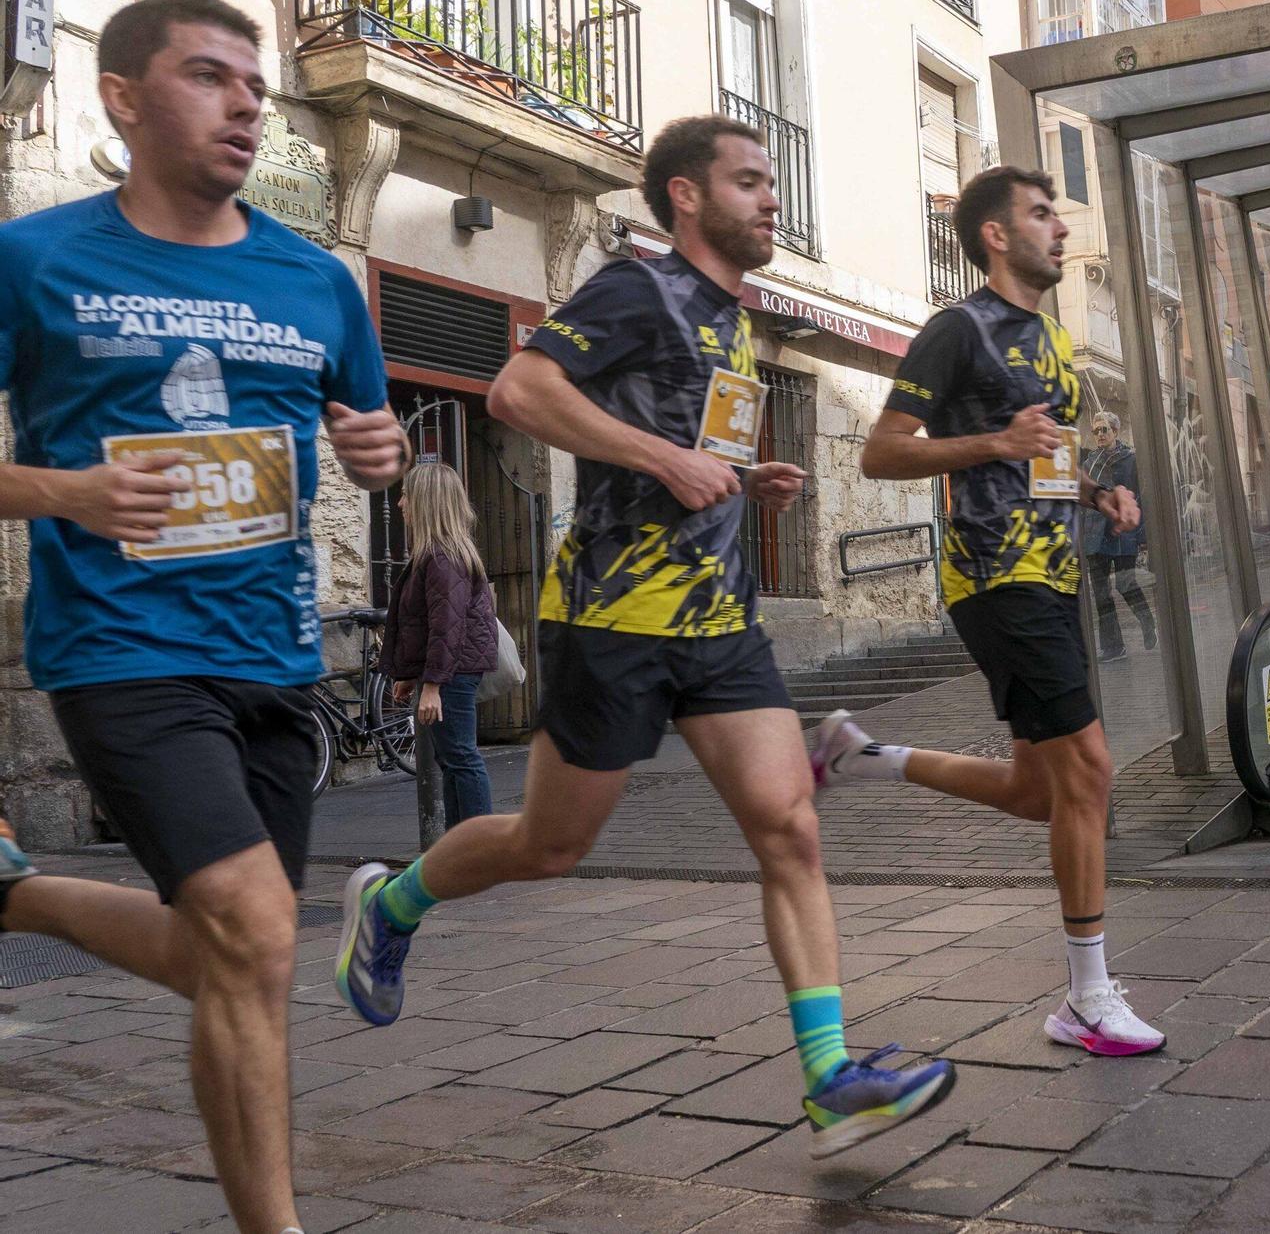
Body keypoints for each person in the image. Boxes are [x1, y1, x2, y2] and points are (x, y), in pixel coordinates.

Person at [332, 115, 955, 1159]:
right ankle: (392, 903)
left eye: (769, 181)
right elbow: (519, 390)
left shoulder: (731, 318)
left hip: (720, 623)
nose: (771, 198)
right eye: (748, 181)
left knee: (789, 827)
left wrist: (737, 477)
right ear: (686, 196)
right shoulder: (637, 288)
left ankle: (830, 1077)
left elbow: (677, 441)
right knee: (549, 845)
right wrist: (666, 462)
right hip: (612, 619)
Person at [0, 0, 406, 1234]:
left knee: (240, 954)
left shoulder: (314, 278)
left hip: (274, 653)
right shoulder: (36, 259)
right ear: (122, 97)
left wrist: (380, 451)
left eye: (255, 88)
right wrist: (66, 490)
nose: (243, 105)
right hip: (120, 647)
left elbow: (373, 430)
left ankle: (13, 893)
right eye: (208, 77)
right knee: (256, 925)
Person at [815, 166, 1165, 1057]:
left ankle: (868, 756)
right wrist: (994, 440)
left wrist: (1096, 494)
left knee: (1038, 792)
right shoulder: (956, 330)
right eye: (1042, 214)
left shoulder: (1050, 340)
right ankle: (1086, 998)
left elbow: (1042, 460)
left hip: (1055, 577)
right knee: (1090, 771)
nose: (1061, 228)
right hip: (996, 578)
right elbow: (882, 453)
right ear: (997, 235)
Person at [383, 461, 498, 827]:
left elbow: (446, 626)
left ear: (426, 501)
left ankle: (478, 844)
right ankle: (460, 842)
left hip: (453, 673)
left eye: (406, 495)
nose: (401, 503)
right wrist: (410, 675)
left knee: (461, 758)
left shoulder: (442, 557)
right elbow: (426, 623)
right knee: (452, 760)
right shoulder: (436, 553)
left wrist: (432, 685)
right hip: (451, 670)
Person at [1081, 410, 1155, 662]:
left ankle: (1147, 621)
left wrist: (1142, 534)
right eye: (1096, 431)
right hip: (1095, 536)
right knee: (1101, 594)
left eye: (1104, 430)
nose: (1100, 435)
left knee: (1126, 584)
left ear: (1115, 431)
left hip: (1122, 532)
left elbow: (1141, 498)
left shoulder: (1130, 460)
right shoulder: (1089, 463)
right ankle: (1113, 647)